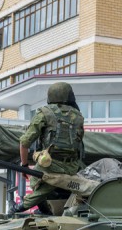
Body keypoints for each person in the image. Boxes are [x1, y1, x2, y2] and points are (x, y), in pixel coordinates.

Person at [10, 82, 85, 215]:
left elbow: (24, 142)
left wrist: (25, 165)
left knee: (36, 180)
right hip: (72, 166)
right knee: (49, 182)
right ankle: (47, 207)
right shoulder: (78, 116)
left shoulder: (44, 112)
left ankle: (19, 208)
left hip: (50, 164)